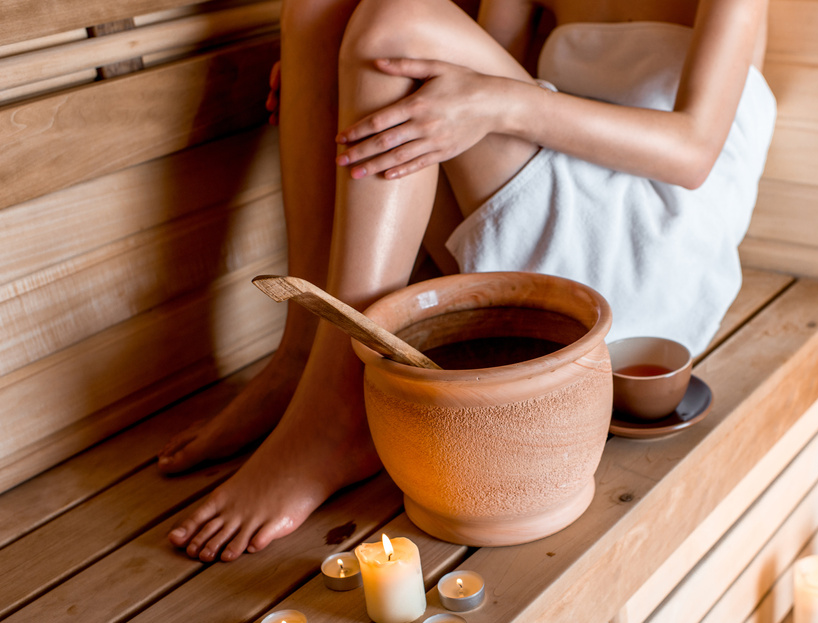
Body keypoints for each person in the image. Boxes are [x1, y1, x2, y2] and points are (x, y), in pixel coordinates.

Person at [158, 0, 776, 562]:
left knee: (393, 29)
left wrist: (494, 102)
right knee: (324, 11)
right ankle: (303, 355)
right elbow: (477, 61)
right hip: (558, 183)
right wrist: (332, 81)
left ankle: (341, 401)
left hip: (653, 240)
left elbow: (693, 152)